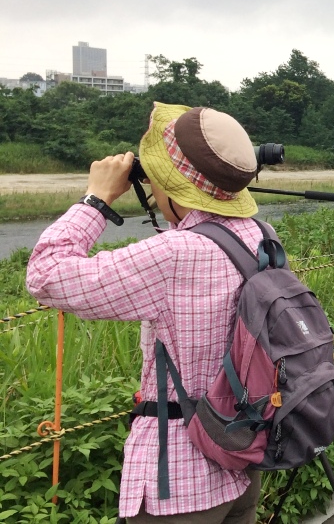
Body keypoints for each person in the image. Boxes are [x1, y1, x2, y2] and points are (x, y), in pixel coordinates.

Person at [26, 102, 266, 522]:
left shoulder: (173, 255)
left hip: (179, 478)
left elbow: (46, 276)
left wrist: (96, 199)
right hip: (243, 450)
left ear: (174, 188)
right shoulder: (259, 234)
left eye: (156, 181)